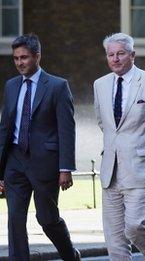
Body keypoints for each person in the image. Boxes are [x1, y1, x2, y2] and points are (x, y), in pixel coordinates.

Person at [93, 33, 145, 260]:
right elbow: (104, 123)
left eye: (120, 53)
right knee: (115, 239)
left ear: (133, 55)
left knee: (135, 227)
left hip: (142, 168)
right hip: (111, 171)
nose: (115, 59)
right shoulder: (100, 85)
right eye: (111, 54)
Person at [0, 34, 80, 260]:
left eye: (24, 57)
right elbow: (4, 129)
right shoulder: (11, 86)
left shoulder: (57, 86)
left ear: (37, 56)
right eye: (15, 58)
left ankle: (70, 256)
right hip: (15, 161)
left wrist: (66, 168)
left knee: (47, 219)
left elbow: (67, 130)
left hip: (45, 163)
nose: (19, 63)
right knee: (15, 218)